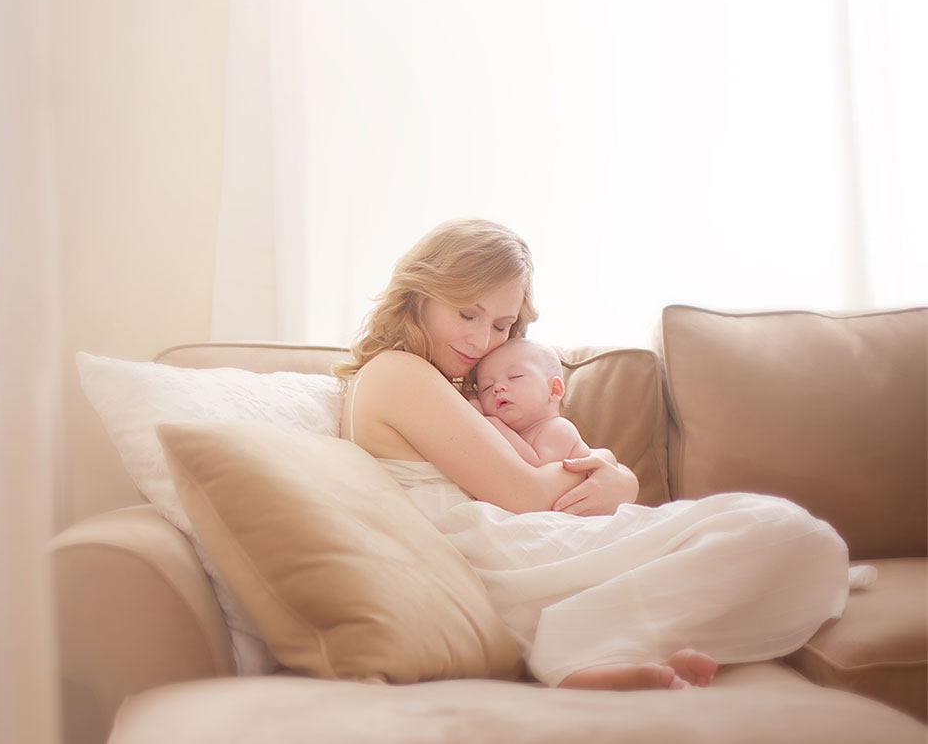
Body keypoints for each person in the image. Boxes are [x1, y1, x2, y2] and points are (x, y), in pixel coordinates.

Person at [338, 218, 852, 691]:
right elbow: (527, 494)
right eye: (467, 312)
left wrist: (614, 477)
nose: (481, 339)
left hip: (506, 544)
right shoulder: (399, 373)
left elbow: (530, 475)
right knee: (780, 531)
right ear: (420, 293)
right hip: (486, 550)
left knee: (780, 533)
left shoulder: (448, 384)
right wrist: (619, 481)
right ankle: (579, 642)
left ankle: (602, 644)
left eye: (501, 324)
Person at [470, 338, 589, 466]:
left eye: (515, 376)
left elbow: (536, 468)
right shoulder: (516, 434)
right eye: (487, 387)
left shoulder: (559, 428)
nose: (497, 388)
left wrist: (493, 424)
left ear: (554, 390)